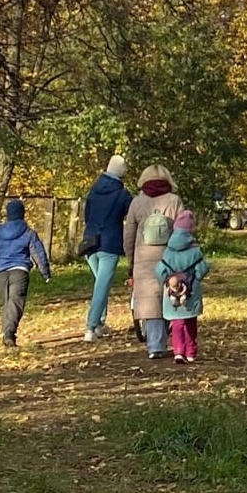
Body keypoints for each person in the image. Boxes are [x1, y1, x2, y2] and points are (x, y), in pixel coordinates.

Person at [124, 163, 183, 359]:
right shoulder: (174, 201)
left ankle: (155, 345)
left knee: (150, 300)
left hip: (143, 258)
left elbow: (129, 235)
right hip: (169, 255)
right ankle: (173, 338)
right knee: (170, 295)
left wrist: (130, 261)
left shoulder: (136, 203)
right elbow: (183, 231)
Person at [0, 199, 51, 349]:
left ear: (8, 214)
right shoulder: (28, 232)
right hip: (20, 271)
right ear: (22, 214)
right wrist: (45, 272)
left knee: (6, 303)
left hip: (1, 272)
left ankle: (7, 334)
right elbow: (38, 252)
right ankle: (9, 333)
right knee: (16, 302)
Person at [81, 154, 132, 342]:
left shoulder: (93, 191)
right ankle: (90, 327)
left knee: (99, 284)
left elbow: (87, 216)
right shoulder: (122, 195)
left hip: (90, 243)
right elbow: (132, 215)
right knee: (102, 286)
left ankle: (101, 322)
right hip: (109, 245)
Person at [155, 209, 209, 364]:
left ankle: (178, 351)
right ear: (191, 230)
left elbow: (159, 270)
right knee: (190, 321)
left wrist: (168, 281)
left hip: (172, 294)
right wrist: (196, 279)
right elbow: (202, 268)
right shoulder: (195, 250)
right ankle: (191, 352)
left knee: (177, 322)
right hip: (190, 291)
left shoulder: (168, 251)